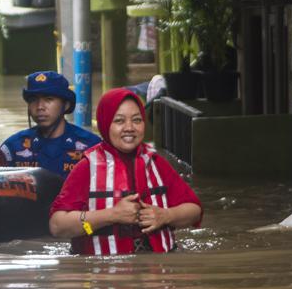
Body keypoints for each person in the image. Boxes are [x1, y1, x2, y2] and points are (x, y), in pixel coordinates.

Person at [48, 87, 202, 255]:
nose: (129, 128)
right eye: (119, 121)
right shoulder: (86, 168)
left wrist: (166, 215)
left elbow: (194, 210)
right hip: (103, 273)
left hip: (157, 270)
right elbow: (58, 225)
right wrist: (111, 215)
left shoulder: (157, 164)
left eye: (136, 120)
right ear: (105, 124)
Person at [0, 71, 101, 177]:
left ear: (66, 105)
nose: (40, 106)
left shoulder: (91, 145)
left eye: (48, 99)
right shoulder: (15, 145)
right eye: (33, 100)